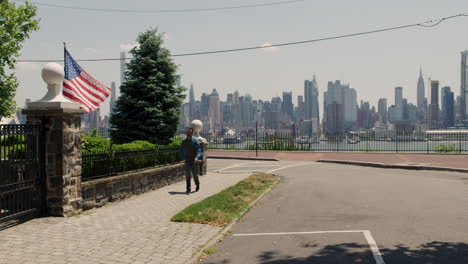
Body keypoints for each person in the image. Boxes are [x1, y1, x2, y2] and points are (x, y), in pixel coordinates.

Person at [180, 127, 203, 194]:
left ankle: (197, 184)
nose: (188, 133)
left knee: (195, 174)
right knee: (187, 175)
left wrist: (197, 157)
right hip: (187, 160)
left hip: (194, 160)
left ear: (192, 133)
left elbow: (199, 150)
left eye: (189, 132)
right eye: (187, 132)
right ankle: (188, 189)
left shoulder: (195, 140)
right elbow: (182, 150)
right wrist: (183, 157)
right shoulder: (184, 141)